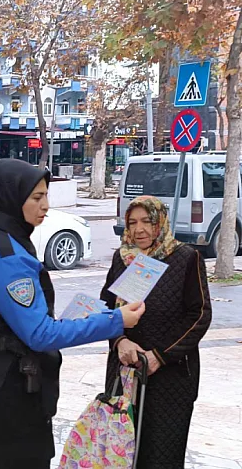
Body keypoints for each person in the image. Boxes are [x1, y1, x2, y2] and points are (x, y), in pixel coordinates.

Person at [0, 158, 147, 469]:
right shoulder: (7, 256)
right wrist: (116, 321)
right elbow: (40, 335)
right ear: (10, 198)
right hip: (10, 391)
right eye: (37, 197)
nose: (46, 206)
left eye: (46, 196)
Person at [100, 196, 212, 468]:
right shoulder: (123, 258)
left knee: (162, 454)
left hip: (171, 376)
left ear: (160, 222)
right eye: (132, 222)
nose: (139, 229)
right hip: (125, 370)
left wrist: (160, 355)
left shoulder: (186, 258)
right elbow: (106, 307)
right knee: (121, 451)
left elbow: (199, 314)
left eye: (147, 221)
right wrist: (119, 341)